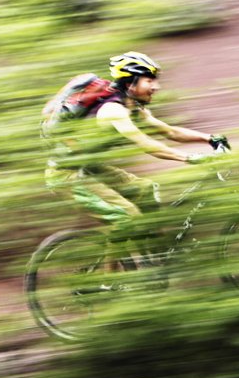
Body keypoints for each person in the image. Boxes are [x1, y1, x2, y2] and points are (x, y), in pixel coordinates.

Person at [44, 51, 228, 252]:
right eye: (149, 81)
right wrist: (189, 158)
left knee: (145, 190)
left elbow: (170, 132)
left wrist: (210, 139)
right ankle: (110, 281)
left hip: (88, 166)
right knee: (126, 217)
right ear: (131, 83)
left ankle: (155, 254)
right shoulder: (113, 111)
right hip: (66, 176)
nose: (155, 87)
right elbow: (146, 144)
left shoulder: (133, 107)